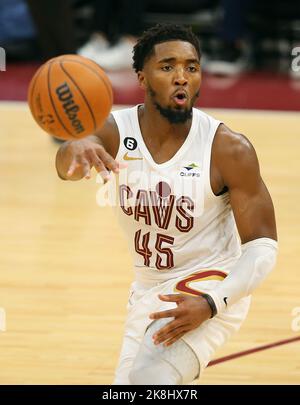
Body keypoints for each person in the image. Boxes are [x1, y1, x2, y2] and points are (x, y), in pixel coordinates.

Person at [55, 24, 278, 385]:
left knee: (149, 380)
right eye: (167, 67)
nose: (181, 77)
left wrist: (213, 303)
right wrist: (73, 146)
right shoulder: (116, 130)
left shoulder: (228, 148)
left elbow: (263, 247)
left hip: (213, 283)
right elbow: (67, 166)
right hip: (148, 289)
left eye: (191, 67)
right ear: (142, 77)